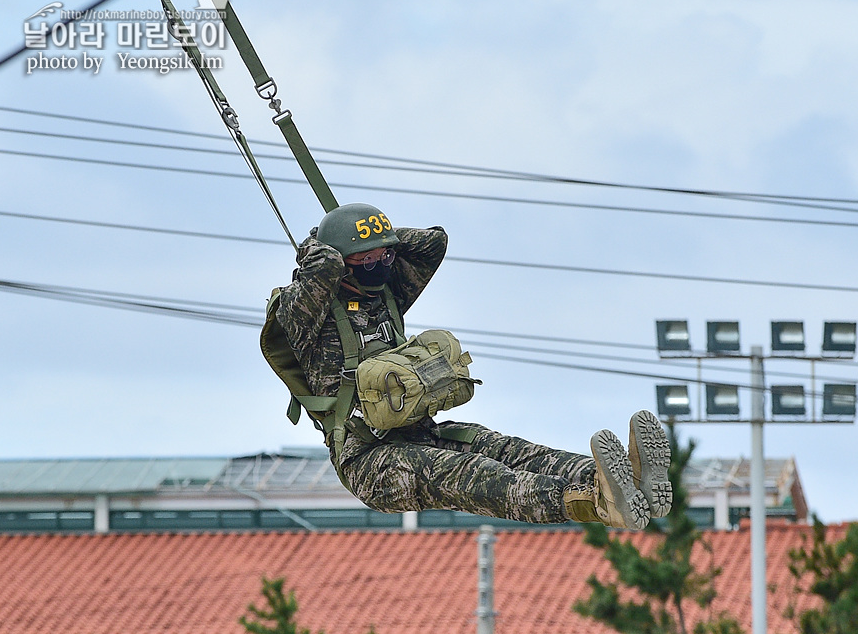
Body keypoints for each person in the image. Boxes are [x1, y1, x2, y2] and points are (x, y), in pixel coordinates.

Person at [275, 203, 672, 529]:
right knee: (473, 473)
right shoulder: (306, 316)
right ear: (342, 264)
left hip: (421, 433)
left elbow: (433, 243)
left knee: (507, 450)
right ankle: (593, 504)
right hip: (369, 461)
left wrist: (375, 236)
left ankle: (621, 484)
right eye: (368, 259)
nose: (381, 265)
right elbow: (322, 269)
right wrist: (322, 244)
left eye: (387, 256)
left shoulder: (385, 294)